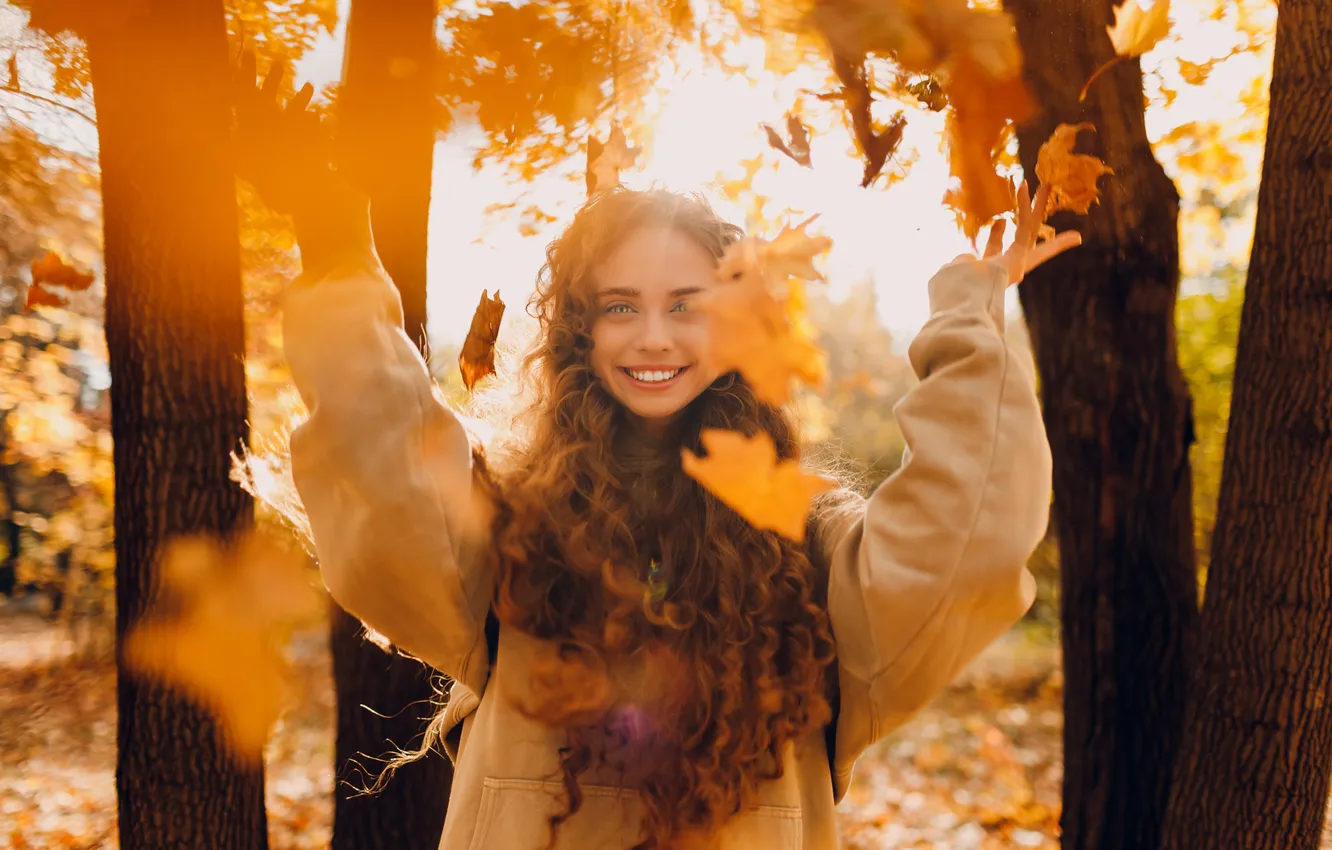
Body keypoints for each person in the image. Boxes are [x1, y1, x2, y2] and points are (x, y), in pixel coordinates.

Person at [234, 57, 1077, 850]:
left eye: (686, 305)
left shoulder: (806, 539)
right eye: (620, 307)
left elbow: (965, 543)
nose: (654, 337)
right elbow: (384, 478)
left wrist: (971, 311)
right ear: (580, 328)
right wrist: (340, 255)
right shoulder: (510, 521)